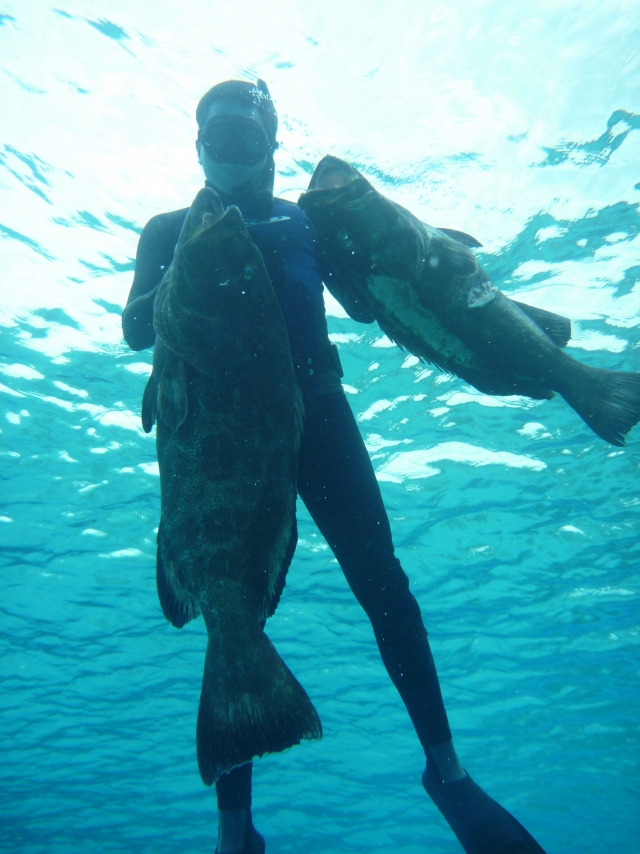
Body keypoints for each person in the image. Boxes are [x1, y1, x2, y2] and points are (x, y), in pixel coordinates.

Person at [122, 79, 548, 854]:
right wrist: (183, 276)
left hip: (317, 413)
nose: (232, 157)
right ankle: (234, 829)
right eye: (217, 142)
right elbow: (133, 330)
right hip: (220, 423)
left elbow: (368, 298)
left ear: (273, 147)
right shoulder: (170, 230)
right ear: (197, 149)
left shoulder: (302, 222)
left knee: (382, 580)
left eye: (247, 142)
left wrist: (416, 255)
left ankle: (447, 771)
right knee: (234, 600)